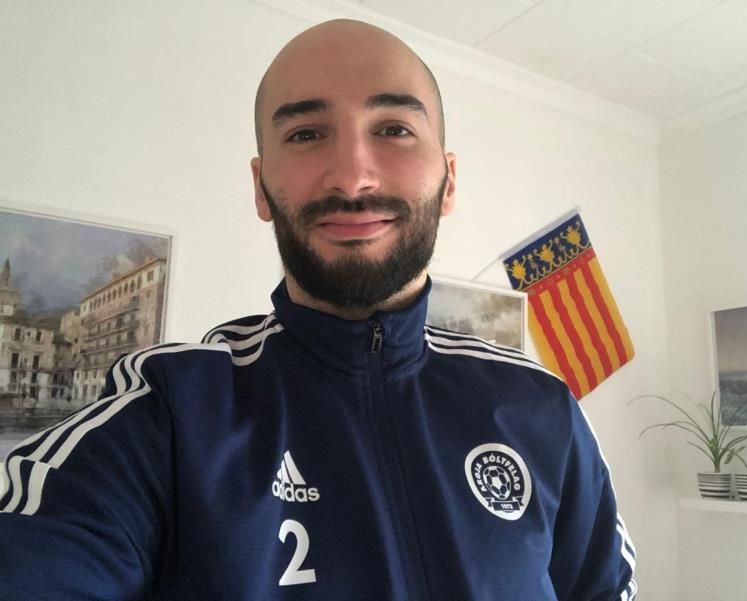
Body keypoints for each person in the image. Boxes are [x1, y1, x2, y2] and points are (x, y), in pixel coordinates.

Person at [0, 19, 636, 601]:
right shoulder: (167, 412)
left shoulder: (541, 407)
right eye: (306, 134)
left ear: (448, 180)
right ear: (261, 188)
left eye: (393, 129)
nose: (352, 178)